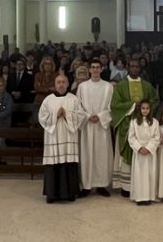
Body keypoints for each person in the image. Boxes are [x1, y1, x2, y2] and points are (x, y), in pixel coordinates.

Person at [111, 59, 159, 196]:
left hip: (144, 126)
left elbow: (155, 101)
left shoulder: (147, 85)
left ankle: (142, 185)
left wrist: (146, 110)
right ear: (127, 68)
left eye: (136, 66)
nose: (134, 68)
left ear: (140, 68)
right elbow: (114, 105)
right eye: (131, 66)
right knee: (127, 153)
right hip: (126, 124)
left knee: (143, 152)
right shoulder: (121, 86)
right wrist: (133, 106)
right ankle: (126, 186)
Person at [39, 75, 86, 204]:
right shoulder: (48, 100)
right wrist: (55, 115)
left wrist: (67, 114)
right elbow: (42, 117)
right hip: (53, 138)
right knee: (53, 164)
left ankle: (70, 193)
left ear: (67, 84)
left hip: (68, 137)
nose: (61, 85)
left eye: (63, 82)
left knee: (69, 163)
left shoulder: (73, 99)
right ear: (55, 84)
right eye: (58, 82)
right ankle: (52, 194)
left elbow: (81, 115)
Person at [77, 59, 114, 197]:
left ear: (102, 69)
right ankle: (86, 186)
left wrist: (100, 116)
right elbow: (78, 106)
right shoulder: (82, 87)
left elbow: (111, 106)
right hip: (87, 126)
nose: (95, 70)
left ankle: (102, 185)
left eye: (98, 67)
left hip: (101, 126)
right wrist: (87, 116)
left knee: (101, 156)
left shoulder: (108, 87)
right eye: (93, 67)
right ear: (89, 69)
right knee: (87, 155)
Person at [128, 100, 160, 206]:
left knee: (150, 175)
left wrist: (149, 148)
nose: (145, 110)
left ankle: (149, 196)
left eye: (147, 108)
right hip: (139, 153)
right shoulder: (134, 121)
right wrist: (139, 147)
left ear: (150, 110)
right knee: (139, 174)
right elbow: (131, 137)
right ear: (139, 109)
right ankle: (139, 197)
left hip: (150, 153)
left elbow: (157, 137)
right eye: (143, 108)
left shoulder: (155, 122)